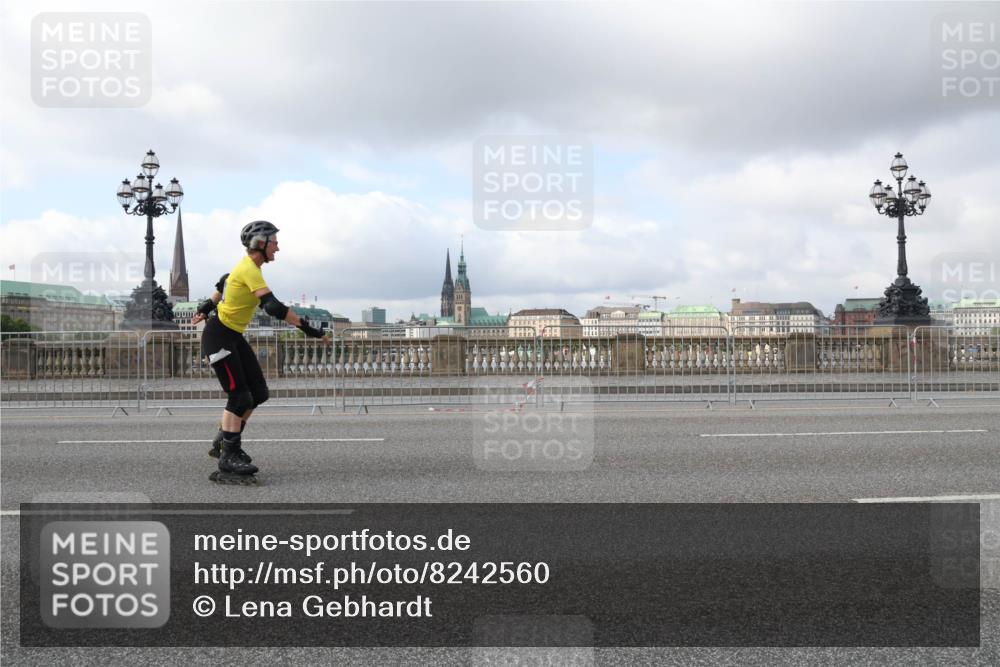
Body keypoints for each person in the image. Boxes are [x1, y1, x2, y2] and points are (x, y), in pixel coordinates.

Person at [192, 220, 325, 484]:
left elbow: (222, 286)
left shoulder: (244, 270)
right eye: (274, 241)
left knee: (258, 393)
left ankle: (224, 441)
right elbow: (273, 307)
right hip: (219, 337)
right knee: (239, 396)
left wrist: (206, 307)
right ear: (260, 244)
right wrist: (310, 330)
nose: (278, 246)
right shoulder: (249, 269)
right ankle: (228, 456)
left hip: (232, 336)